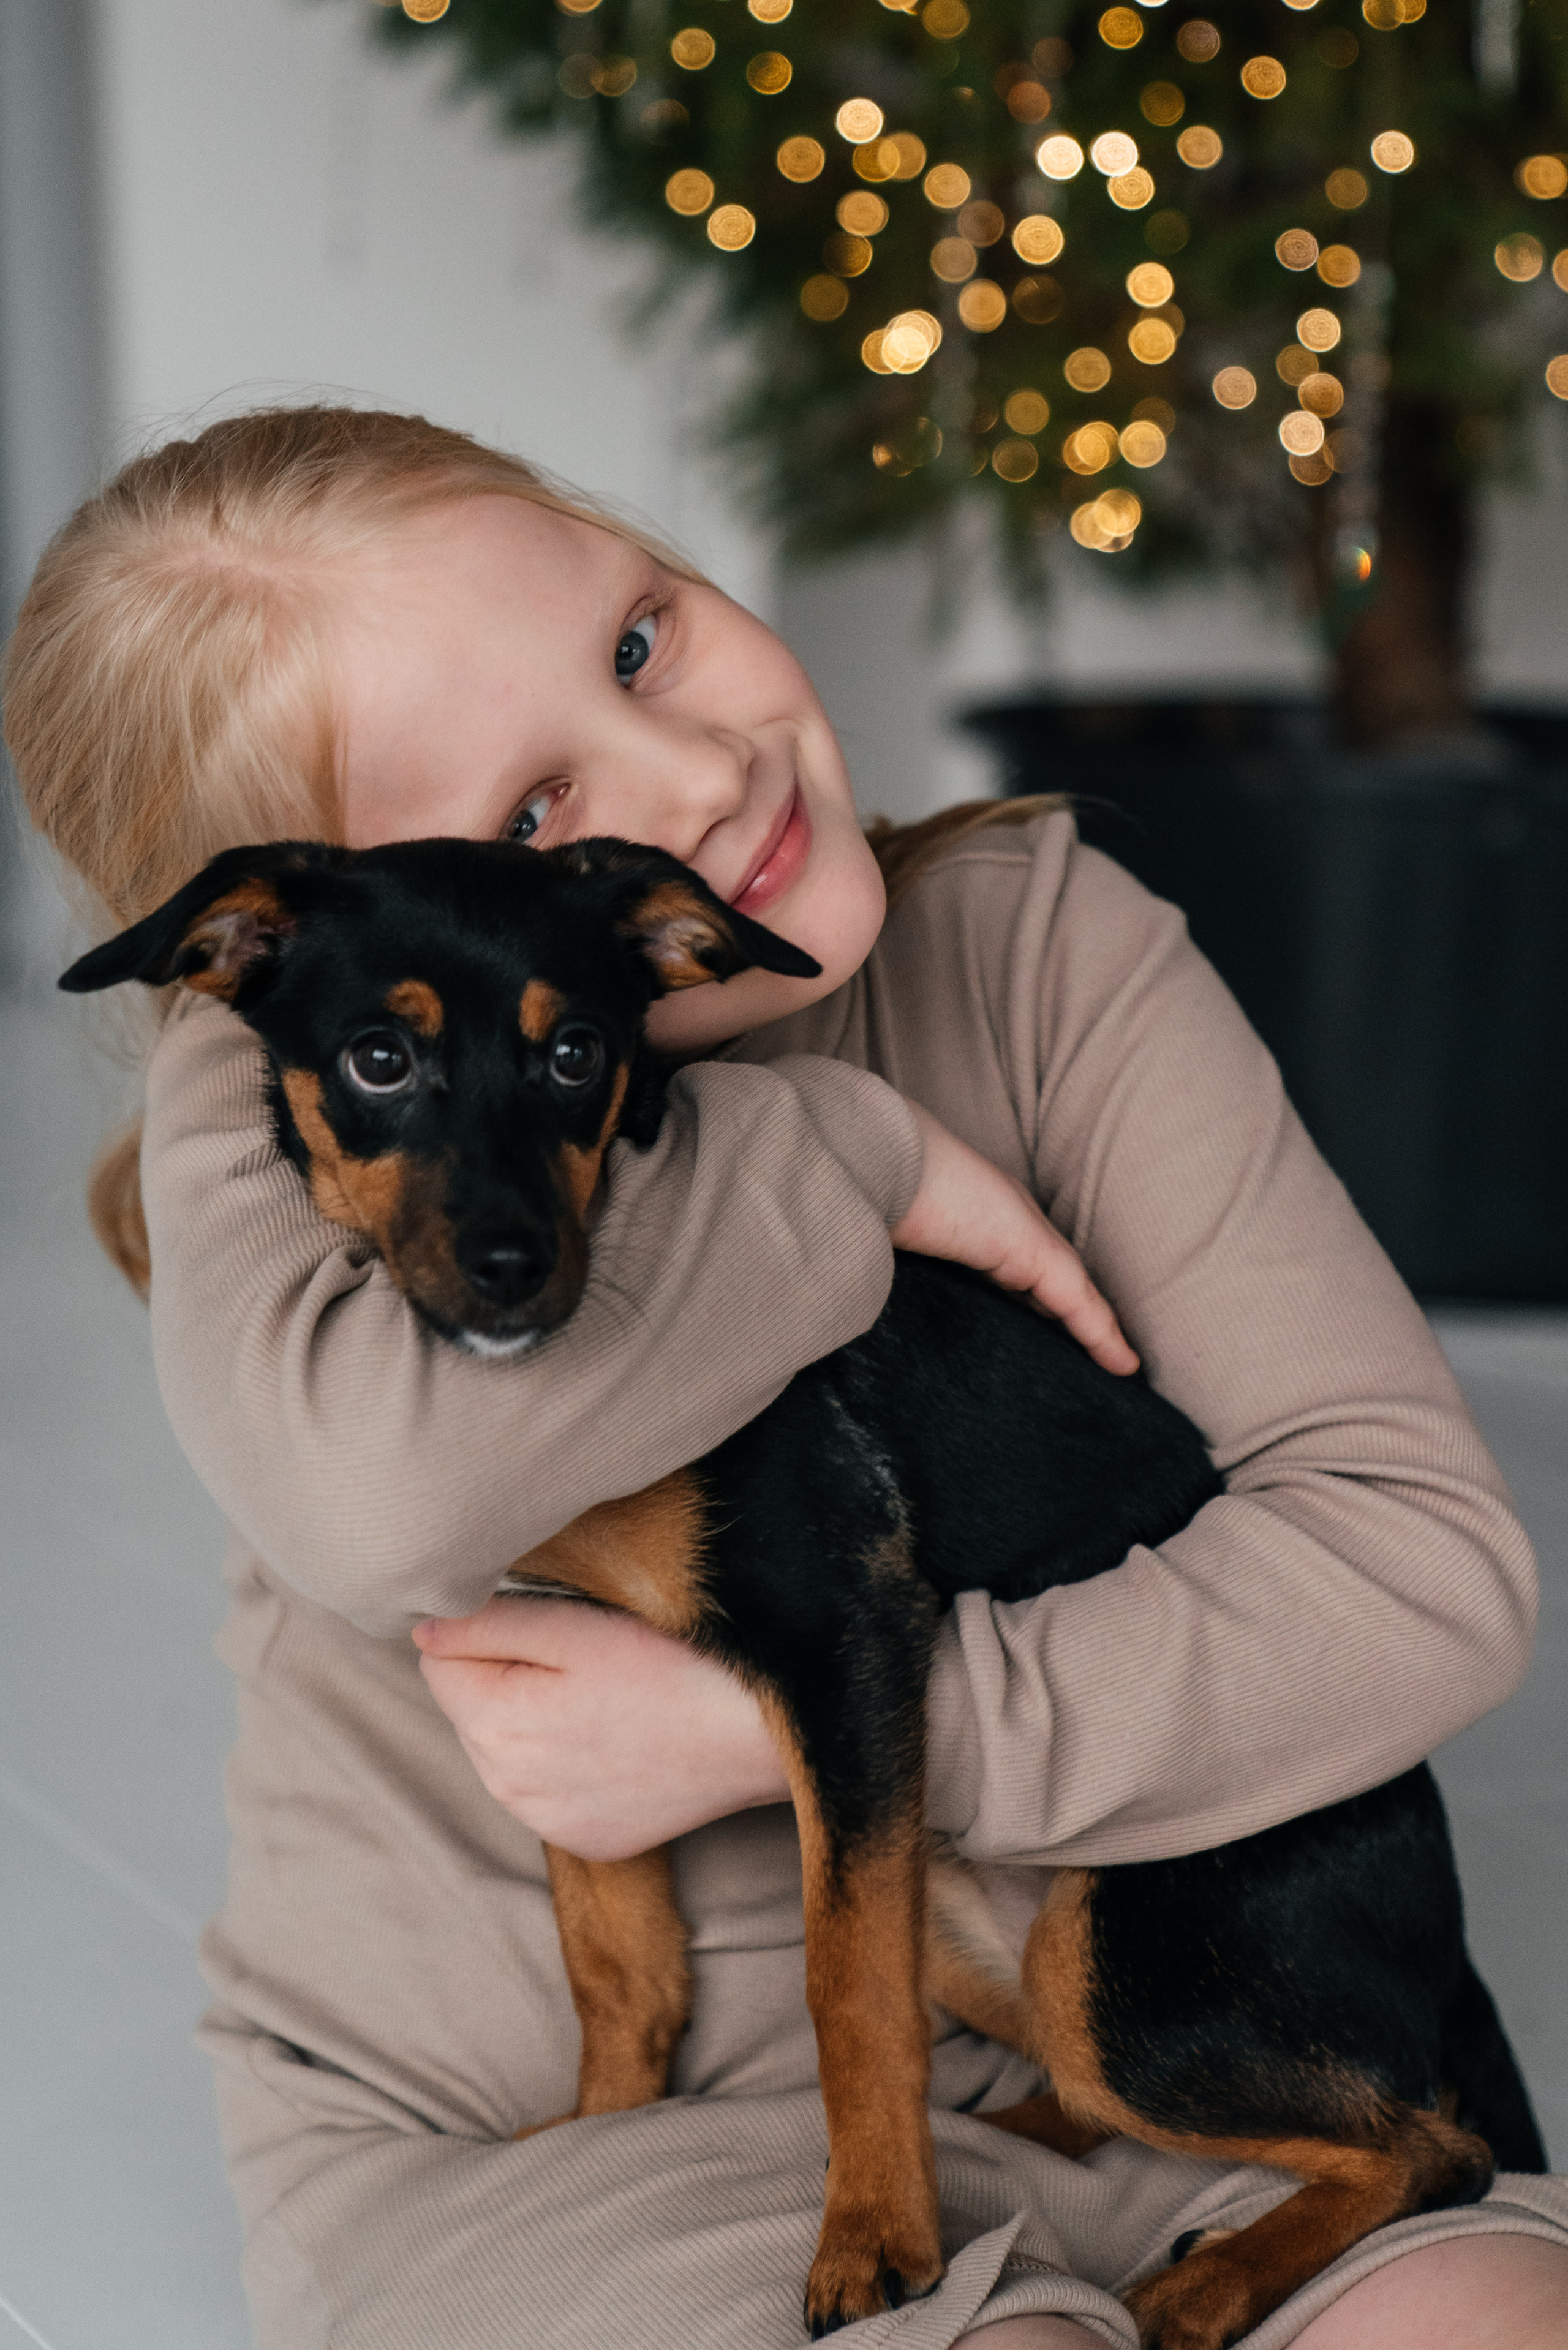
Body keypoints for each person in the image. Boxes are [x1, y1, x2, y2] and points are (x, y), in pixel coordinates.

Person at [7, 405, 1567, 2350]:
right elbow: (380, 1503)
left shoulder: (1036, 943)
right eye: (523, 823)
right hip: (555, 2148)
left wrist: (767, 1739)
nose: (693, 771)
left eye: (641, 639)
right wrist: (863, 1160)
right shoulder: (268, 1095)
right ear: (256, 944)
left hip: (1100, 2041)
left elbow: (1429, 1575)